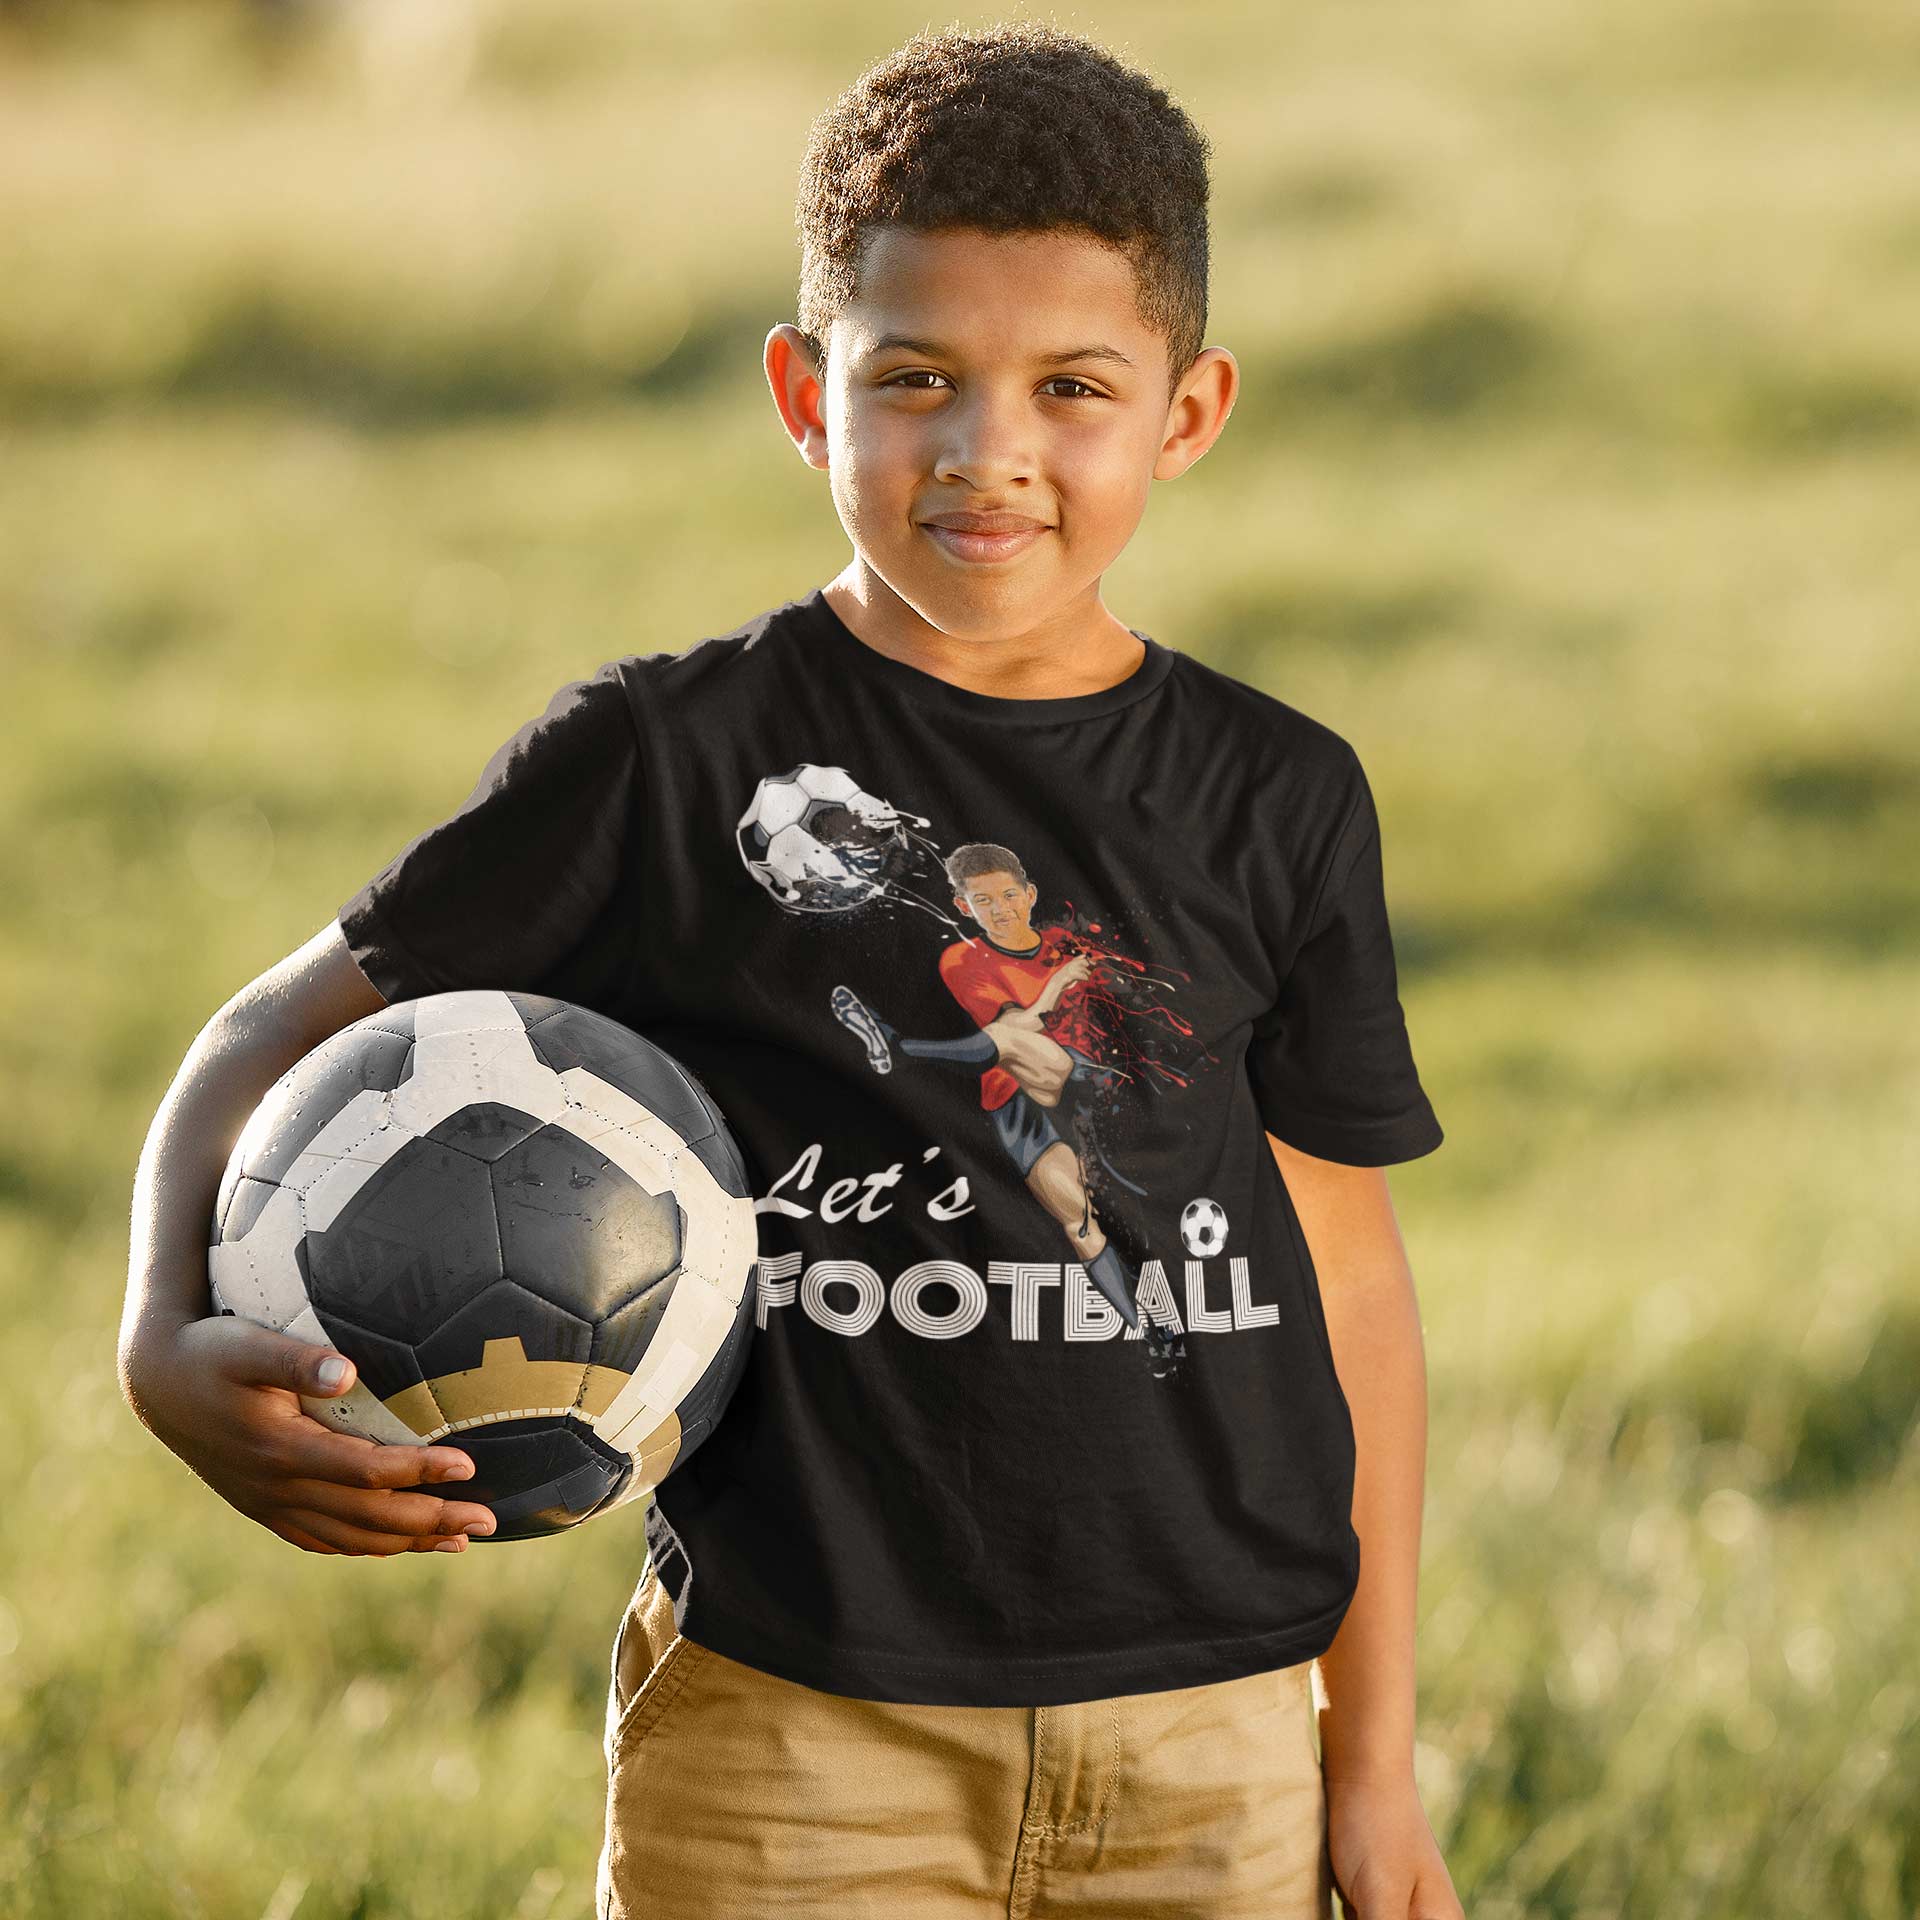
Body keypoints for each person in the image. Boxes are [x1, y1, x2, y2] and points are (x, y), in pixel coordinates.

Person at [118, 22, 1465, 1920]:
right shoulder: (668, 761)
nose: (990, 451)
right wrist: (156, 1339)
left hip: (1211, 1738)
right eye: (915, 377)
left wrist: (1369, 1755)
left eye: (1072, 385)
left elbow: (1348, 1278)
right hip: (789, 1733)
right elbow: (274, 1028)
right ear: (804, 395)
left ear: (1187, 410)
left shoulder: (1278, 793)